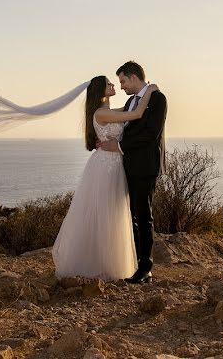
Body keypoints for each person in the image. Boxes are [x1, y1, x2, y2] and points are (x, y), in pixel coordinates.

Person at [51, 75, 158, 280]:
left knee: (113, 214)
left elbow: (129, 111)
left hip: (114, 165)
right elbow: (135, 114)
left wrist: (142, 96)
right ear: (100, 90)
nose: (113, 85)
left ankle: (110, 262)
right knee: (105, 214)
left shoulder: (107, 112)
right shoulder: (101, 114)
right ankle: (100, 263)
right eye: (109, 84)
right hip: (105, 167)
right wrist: (150, 91)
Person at [97, 61, 168, 284]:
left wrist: (118, 147)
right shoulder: (131, 102)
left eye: (123, 81)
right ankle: (136, 263)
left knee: (143, 215)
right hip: (126, 166)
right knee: (132, 215)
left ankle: (145, 268)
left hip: (146, 166)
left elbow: (151, 134)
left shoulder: (158, 99)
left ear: (134, 77)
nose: (122, 87)